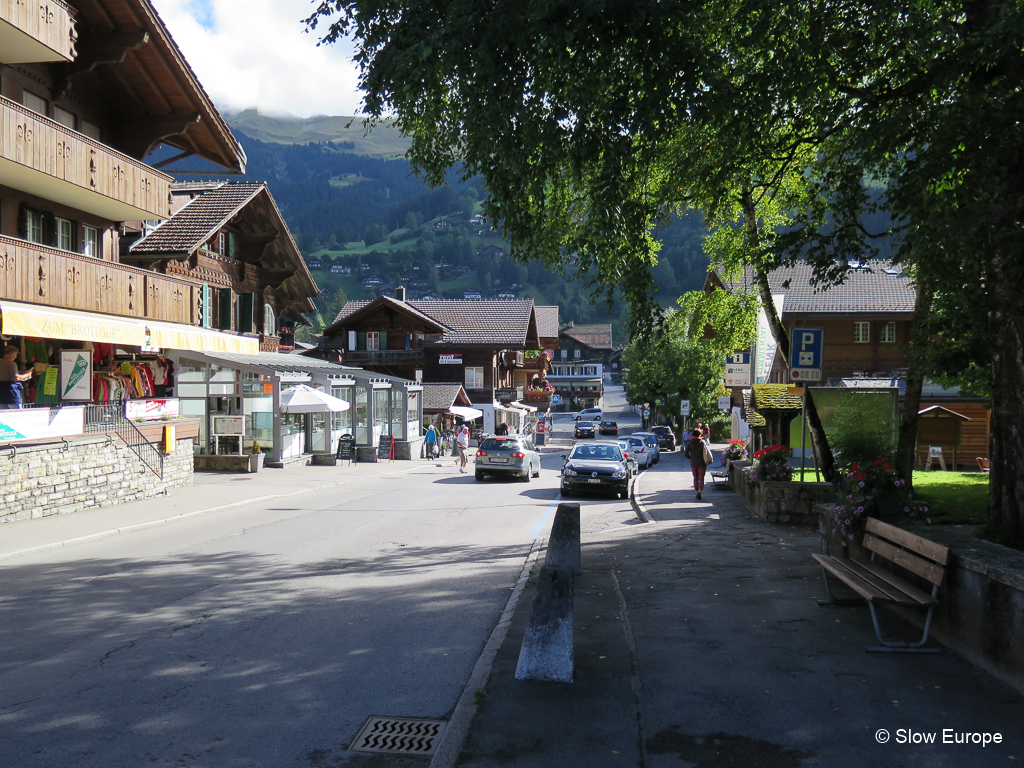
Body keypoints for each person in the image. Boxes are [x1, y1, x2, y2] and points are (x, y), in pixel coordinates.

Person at [684, 426, 708, 500]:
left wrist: (690, 457)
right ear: (699, 435)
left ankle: (696, 492)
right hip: (702, 462)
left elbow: (686, 453)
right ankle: (700, 490)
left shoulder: (690, 443)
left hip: (693, 462)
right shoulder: (702, 443)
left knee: (695, 477)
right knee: (701, 477)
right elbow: (706, 452)